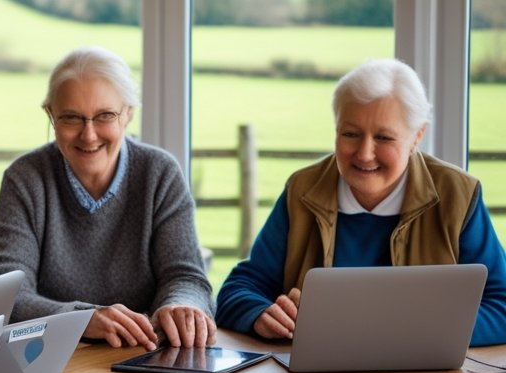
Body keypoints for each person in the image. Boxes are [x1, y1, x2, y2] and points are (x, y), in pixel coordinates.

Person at [216, 58, 506, 345]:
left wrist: (416, 331)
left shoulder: (458, 194)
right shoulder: (302, 191)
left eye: (384, 137)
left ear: (417, 136)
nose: (365, 154)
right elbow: (239, 289)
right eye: (350, 134)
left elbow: (501, 304)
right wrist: (260, 314)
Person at [0, 45, 215, 349]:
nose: (88, 135)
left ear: (128, 114)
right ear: (50, 115)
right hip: (53, 362)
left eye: (104, 115)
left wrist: (181, 306)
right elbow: (3, 294)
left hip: (146, 357)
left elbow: (187, 277)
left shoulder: (159, 173)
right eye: (71, 118)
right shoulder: (25, 178)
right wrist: (81, 319)